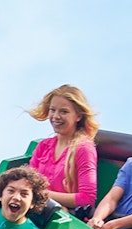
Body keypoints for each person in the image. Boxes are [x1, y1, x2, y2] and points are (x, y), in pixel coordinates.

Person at [27, 85, 99, 214]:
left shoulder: (83, 149)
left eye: (64, 112)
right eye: (52, 110)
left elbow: (87, 198)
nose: (56, 116)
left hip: (66, 217)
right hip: (36, 209)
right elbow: (27, 183)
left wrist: (44, 195)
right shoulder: (43, 146)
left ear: (78, 116)